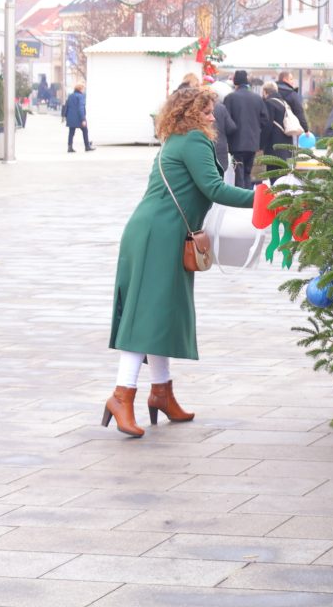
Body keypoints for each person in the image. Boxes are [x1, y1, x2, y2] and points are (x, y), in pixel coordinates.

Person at [102, 85, 259, 438]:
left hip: (157, 232)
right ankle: (121, 395)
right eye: (206, 110)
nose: (212, 116)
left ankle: (161, 392)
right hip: (158, 236)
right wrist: (262, 199)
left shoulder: (175, 139)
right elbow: (215, 189)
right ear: (189, 113)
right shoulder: (194, 140)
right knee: (145, 315)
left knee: (162, 312)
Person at [222, 70, 270, 186]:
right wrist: (256, 129)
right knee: (248, 172)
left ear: (235, 82)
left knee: (238, 171)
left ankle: (241, 195)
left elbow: (226, 119)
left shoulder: (230, 98)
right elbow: (265, 118)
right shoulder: (257, 98)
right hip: (253, 142)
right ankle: (248, 194)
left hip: (236, 142)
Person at [260, 81, 291, 159]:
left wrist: (260, 144)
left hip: (274, 146)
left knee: (273, 166)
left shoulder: (269, 103)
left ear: (265, 92)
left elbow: (267, 126)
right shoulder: (284, 103)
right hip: (286, 144)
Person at [64, 83, 92, 152]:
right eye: (83, 88)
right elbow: (80, 108)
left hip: (70, 117)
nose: (84, 90)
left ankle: (69, 147)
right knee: (85, 130)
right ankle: (87, 146)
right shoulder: (81, 97)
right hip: (78, 117)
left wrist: (66, 116)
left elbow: (66, 106)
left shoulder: (70, 96)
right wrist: (83, 119)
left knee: (71, 132)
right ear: (80, 89)